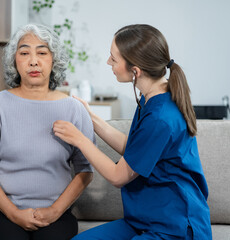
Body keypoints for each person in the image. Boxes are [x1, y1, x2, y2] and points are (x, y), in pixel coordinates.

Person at [53, 24, 212, 240]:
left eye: (113, 59)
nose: (109, 62)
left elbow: (119, 176)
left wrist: (79, 139)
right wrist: (90, 117)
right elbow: (135, 148)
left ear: (135, 71)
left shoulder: (162, 117)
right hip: (144, 220)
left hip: (174, 227)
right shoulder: (150, 97)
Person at [0, 24, 95, 240]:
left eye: (42, 52)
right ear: (14, 61)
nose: (33, 61)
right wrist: (15, 214)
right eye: (25, 52)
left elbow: (85, 170)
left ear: (53, 60)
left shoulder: (74, 109)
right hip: (2, 212)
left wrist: (55, 211)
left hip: (57, 212)